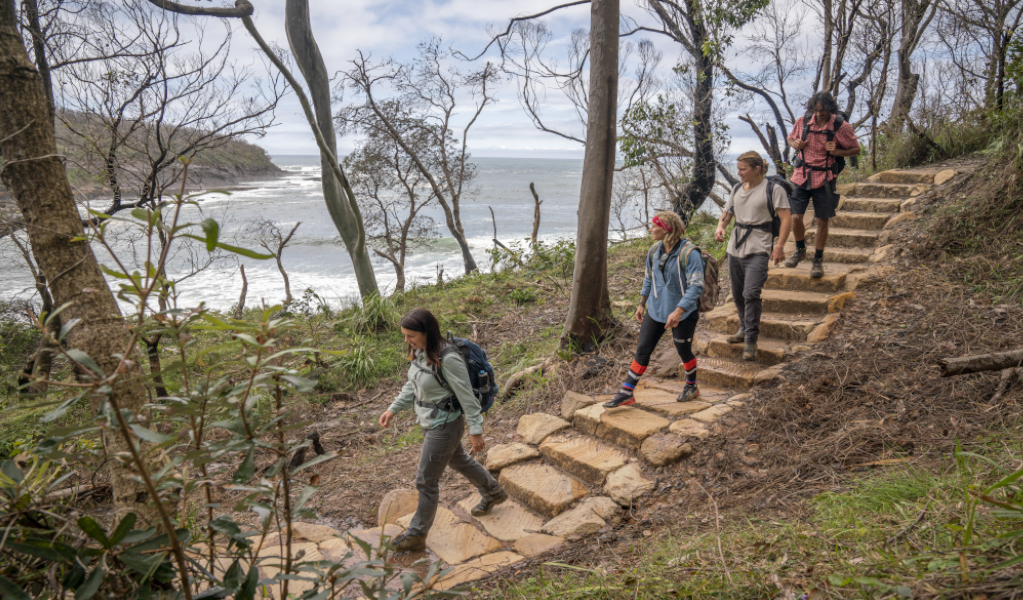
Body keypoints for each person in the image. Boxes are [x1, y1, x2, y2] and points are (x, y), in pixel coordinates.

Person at [379, 308, 507, 551]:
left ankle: (416, 534)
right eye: (404, 335)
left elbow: (467, 396)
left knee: (426, 481)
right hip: (431, 422)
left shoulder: (448, 359)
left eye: (411, 336)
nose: (406, 341)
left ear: (427, 332)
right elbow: (412, 384)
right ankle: (494, 492)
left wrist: (476, 429)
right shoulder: (420, 353)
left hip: (445, 426)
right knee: (459, 460)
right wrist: (393, 409)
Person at [604, 211, 704, 408]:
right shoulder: (654, 251)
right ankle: (627, 392)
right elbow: (649, 278)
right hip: (656, 310)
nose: (651, 228)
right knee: (642, 350)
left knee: (683, 350)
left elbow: (696, 286)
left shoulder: (689, 253)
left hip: (684, 313)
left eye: (654, 225)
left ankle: (691, 386)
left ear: (667, 229)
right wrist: (642, 303)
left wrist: (679, 311)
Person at [714, 151, 792, 361]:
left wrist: (780, 246)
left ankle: (751, 340)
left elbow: (786, 219)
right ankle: (743, 327)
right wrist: (721, 226)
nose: (738, 173)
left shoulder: (773, 189)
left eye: (742, 169)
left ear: (756, 169)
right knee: (738, 294)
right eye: (738, 169)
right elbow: (728, 212)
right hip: (735, 247)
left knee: (751, 292)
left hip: (760, 246)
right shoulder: (737, 188)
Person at [784, 91, 860, 278]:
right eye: (816, 111)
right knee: (795, 217)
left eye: (823, 112)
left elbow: (855, 149)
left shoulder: (840, 126)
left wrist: (838, 151)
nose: (819, 115)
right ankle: (800, 249)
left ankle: (817, 260)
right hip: (800, 176)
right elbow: (790, 138)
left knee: (822, 220)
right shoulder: (803, 121)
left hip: (825, 178)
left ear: (830, 110)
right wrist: (795, 144)